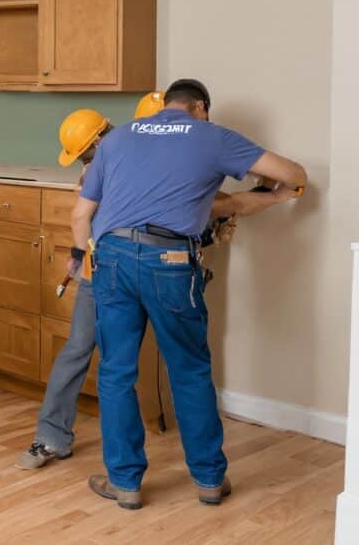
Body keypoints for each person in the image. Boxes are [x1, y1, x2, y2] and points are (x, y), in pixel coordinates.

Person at [15, 95, 298, 470]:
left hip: (129, 268)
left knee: (129, 366)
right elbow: (84, 215)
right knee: (96, 354)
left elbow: (209, 203)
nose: (87, 159)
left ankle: (131, 467)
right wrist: (269, 195)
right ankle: (53, 437)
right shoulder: (112, 160)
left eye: (87, 151)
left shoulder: (135, 151)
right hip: (110, 272)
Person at [73, 79, 306, 510]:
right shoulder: (212, 136)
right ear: (200, 107)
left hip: (113, 257)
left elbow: (81, 214)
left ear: (165, 105)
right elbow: (293, 175)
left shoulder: (119, 136)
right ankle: (209, 482)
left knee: (117, 372)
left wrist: (88, 259)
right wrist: (280, 193)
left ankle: (125, 484)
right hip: (170, 263)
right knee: (189, 370)